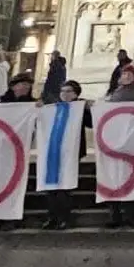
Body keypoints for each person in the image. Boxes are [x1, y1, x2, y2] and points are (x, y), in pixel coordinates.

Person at [102, 69, 134, 227]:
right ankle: (114, 215)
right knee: (113, 179)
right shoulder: (116, 93)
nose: (126, 76)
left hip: (132, 142)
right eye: (124, 74)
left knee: (130, 178)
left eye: (129, 74)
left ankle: (129, 215)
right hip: (115, 141)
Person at [44, 80, 92, 230]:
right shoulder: (53, 108)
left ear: (76, 94)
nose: (65, 94)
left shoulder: (79, 109)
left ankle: (64, 217)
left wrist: (87, 108)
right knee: (51, 186)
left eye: (69, 91)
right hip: (53, 151)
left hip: (72, 152)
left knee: (65, 187)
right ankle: (52, 217)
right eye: (63, 91)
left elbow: (91, 123)